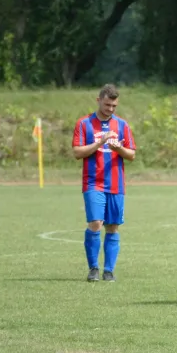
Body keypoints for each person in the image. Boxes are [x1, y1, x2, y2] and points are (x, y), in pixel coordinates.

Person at [72, 84, 136, 282]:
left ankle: (108, 271)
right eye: (107, 104)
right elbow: (77, 152)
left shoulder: (122, 125)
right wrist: (100, 143)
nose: (110, 109)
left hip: (116, 184)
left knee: (112, 227)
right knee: (95, 223)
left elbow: (131, 155)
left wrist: (119, 149)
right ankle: (93, 269)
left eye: (114, 106)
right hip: (93, 183)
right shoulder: (84, 124)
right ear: (98, 100)